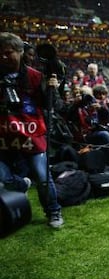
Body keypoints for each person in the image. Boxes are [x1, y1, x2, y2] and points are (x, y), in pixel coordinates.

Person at [0, 32, 64, 228]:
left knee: (44, 178)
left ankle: (53, 211)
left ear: (20, 52)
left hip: (32, 135)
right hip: (4, 138)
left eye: (8, 53)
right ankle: (22, 184)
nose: (3, 57)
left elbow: (56, 105)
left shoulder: (36, 77)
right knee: (3, 178)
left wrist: (52, 89)